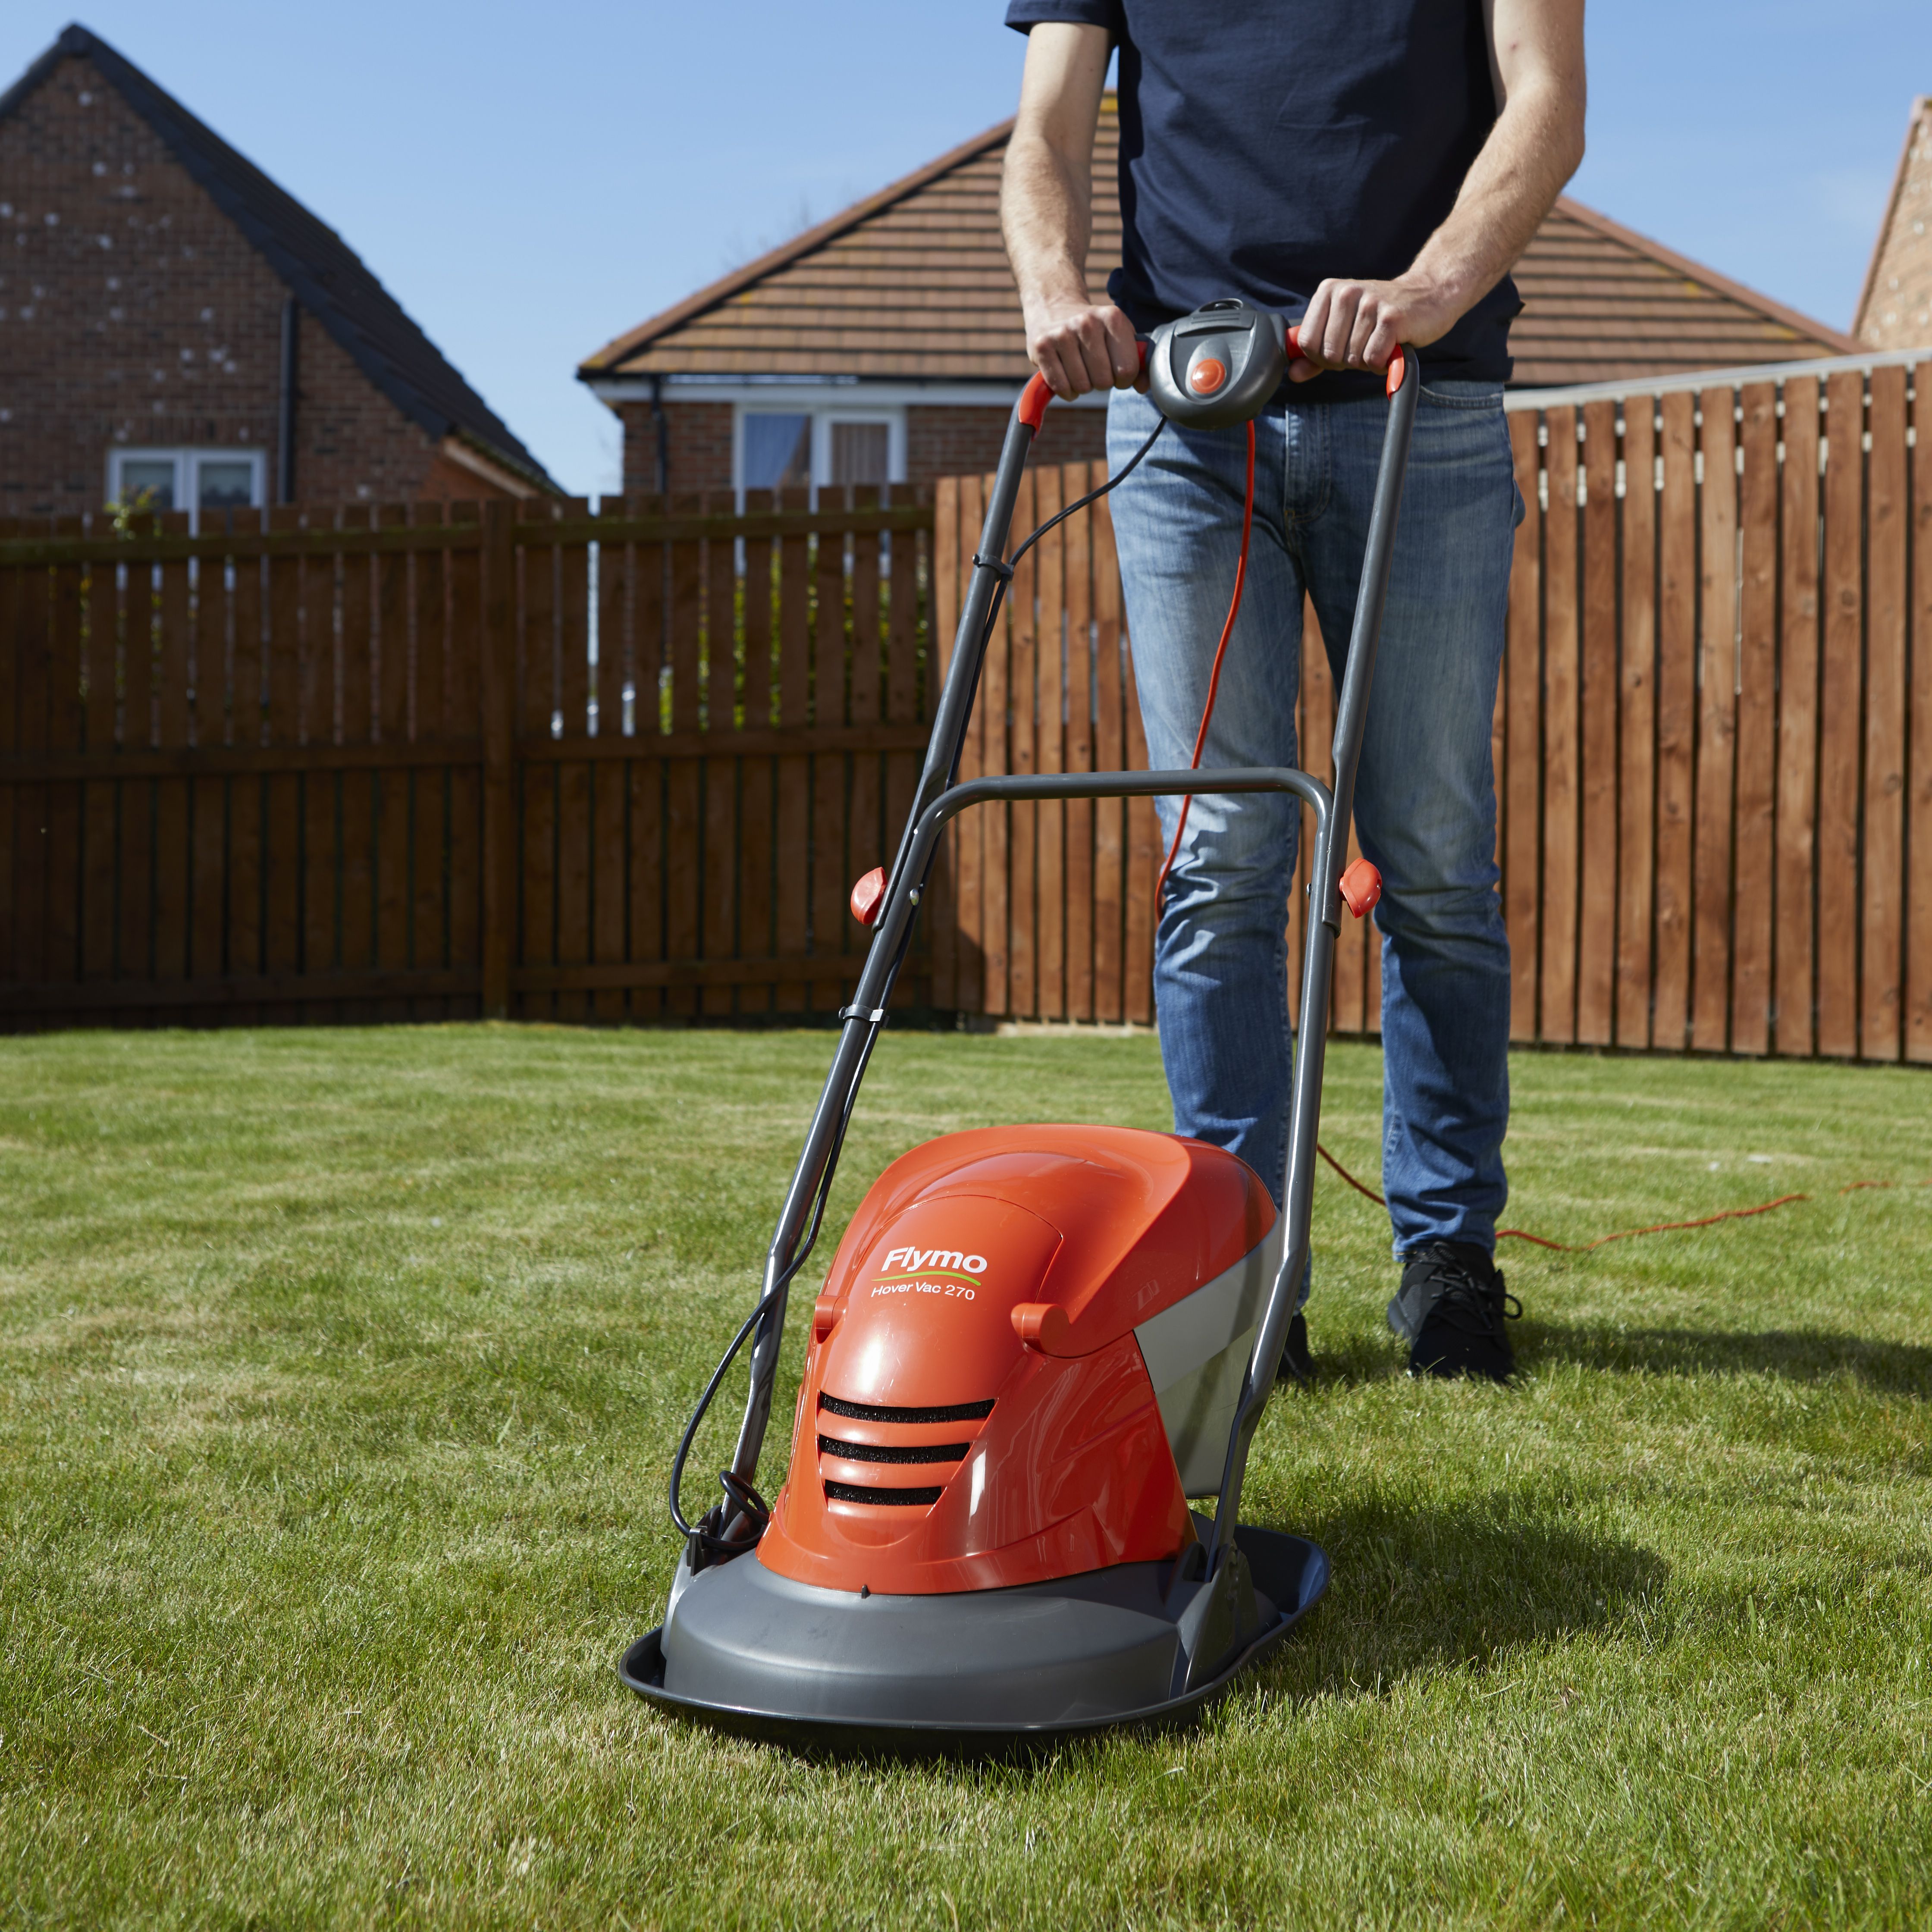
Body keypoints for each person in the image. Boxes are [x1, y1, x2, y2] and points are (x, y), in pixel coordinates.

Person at [1000, 2, 1586, 1382]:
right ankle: (1237, 1271)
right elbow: (1044, 128)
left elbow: (1547, 99)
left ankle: (1448, 1262)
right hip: (1186, 416)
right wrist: (1049, 288)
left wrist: (1435, 285)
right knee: (1220, 860)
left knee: (1433, 858)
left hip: (1416, 405)